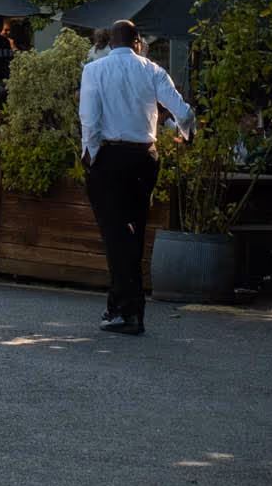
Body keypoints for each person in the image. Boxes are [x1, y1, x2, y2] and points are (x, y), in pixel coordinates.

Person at [78, 18, 192, 336]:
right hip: (144, 156)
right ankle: (123, 307)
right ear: (137, 42)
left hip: (110, 155)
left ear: (110, 42)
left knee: (115, 234)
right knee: (134, 231)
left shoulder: (94, 70)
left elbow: (89, 117)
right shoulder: (152, 70)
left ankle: (126, 311)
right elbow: (181, 110)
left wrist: (91, 151)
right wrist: (187, 135)